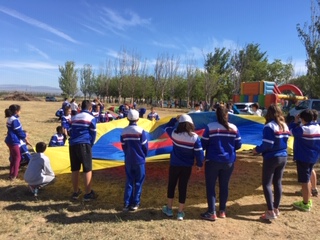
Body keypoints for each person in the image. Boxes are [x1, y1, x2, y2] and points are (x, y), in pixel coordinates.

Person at [200, 105, 242, 221]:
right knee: (224, 186)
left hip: (212, 161)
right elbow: (238, 145)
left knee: (211, 186)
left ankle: (211, 212)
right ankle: (222, 211)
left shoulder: (210, 127)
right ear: (227, 115)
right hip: (228, 162)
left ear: (216, 115)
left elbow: (203, 144)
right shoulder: (234, 128)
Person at [162, 114, 204, 220]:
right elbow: (199, 153)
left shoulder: (174, 134)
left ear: (180, 124)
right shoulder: (194, 137)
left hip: (174, 164)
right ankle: (180, 212)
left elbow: (166, 127)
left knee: (171, 185)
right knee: (183, 187)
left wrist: (174, 119)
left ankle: (169, 209)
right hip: (187, 166)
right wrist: (199, 164)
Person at [253, 105, 290, 220]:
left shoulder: (269, 126)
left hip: (272, 157)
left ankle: (270, 211)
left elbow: (267, 144)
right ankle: (276, 208)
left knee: (267, 184)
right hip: (283, 156)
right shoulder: (284, 125)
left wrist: (257, 150)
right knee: (278, 182)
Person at [290, 109, 320, 211]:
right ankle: (310, 195)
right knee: (309, 173)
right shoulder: (317, 127)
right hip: (313, 156)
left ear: (302, 118)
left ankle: (305, 203)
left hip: (303, 157)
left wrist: (295, 121)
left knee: (305, 180)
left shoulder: (303, 129)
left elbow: (289, 130)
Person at [69, 100, 97, 201]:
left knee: (75, 169)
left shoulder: (74, 117)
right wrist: (91, 144)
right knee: (87, 169)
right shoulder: (91, 118)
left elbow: (70, 131)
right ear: (90, 108)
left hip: (73, 144)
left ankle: (75, 192)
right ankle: (88, 193)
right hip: (84, 144)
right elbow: (93, 133)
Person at [120, 109, 148, 211]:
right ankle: (135, 203)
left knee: (129, 182)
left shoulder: (123, 131)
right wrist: (143, 156)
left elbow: (123, 146)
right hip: (139, 160)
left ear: (127, 118)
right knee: (139, 182)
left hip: (128, 160)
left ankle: (126, 203)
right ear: (138, 119)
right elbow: (145, 146)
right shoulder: (141, 131)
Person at [5, 104, 27, 180]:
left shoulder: (10, 118)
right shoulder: (14, 120)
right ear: (16, 111)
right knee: (18, 158)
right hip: (14, 141)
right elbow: (19, 131)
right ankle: (14, 175)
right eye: (19, 110)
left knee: (14, 157)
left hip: (10, 140)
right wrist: (24, 136)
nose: (20, 112)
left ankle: (11, 173)